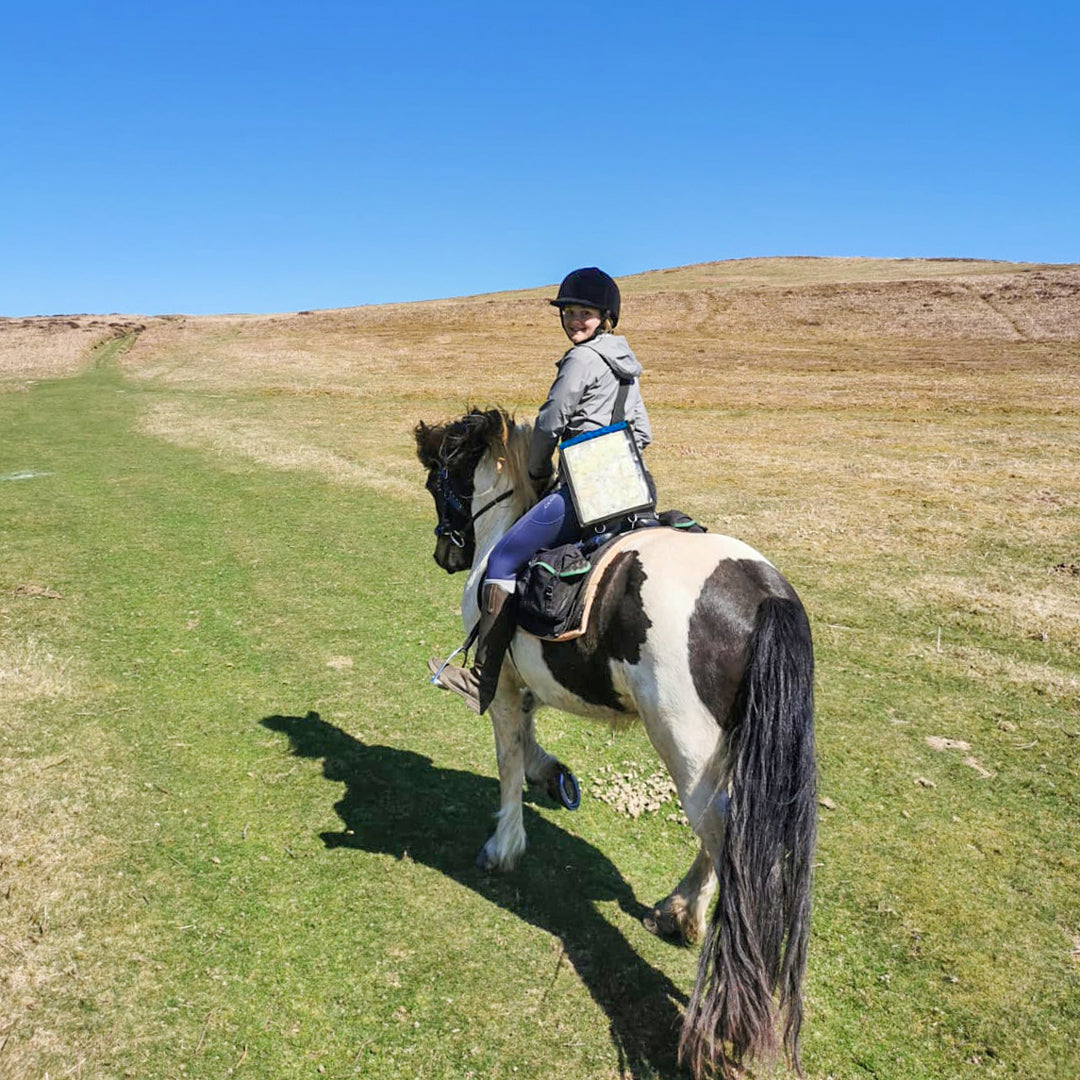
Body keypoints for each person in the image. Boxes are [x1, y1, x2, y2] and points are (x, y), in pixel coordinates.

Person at [434, 267, 652, 714]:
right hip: (632, 492)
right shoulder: (626, 366)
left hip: (583, 491)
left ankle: (482, 678)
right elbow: (643, 433)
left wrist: (535, 469)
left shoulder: (582, 360)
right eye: (569, 312)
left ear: (605, 316)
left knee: (503, 559)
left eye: (584, 312)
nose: (575, 320)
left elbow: (552, 421)